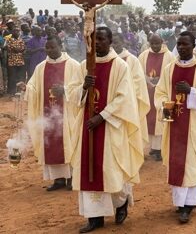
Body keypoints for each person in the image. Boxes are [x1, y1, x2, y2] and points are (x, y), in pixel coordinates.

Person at [66, 27, 143, 233]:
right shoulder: (84, 65)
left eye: (101, 39)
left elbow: (124, 98)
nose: (97, 43)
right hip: (87, 127)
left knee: (111, 169)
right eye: (93, 39)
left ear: (110, 41)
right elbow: (71, 95)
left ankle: (121, 202)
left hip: (110, 126)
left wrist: (102, 116)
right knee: (89, 168)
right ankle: (95, 217)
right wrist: (83, 87)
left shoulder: (120, 66)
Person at [155, 31, 196, 223]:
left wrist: (191, 91)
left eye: (186, 44)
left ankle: (189, 205)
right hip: (175, 124)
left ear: (194, 47)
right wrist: (166, 107)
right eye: (179, 44)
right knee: (177, 163)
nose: (182, 47)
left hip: (194, 127)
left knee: (192, 163)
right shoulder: (169, 68)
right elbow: (159, 93)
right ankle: (180, 203)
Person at [24, 35, 80, 191]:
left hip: (67, 114)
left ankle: (71, 178)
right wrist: (26, 89)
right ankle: (58, 179)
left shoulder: (74, 65)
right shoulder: (41, 67)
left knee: (69, 144)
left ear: (60, 46)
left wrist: (65, 90)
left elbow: (81, 88)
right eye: (47, 48)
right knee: (51, 143)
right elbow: (34, 88)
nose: (49, 50)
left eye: (52, 47)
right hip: (48, 114)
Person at [112, 32, 151, 157]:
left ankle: (131, 156)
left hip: (129, 103)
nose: (113, 45)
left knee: (129, 129)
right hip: (111, 103)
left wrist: (121, 91)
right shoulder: (105, 59)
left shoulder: (132, 60)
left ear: (123, 43)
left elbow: (138, 82)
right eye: (111, 42)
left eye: (116, 42)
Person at [138, 34, 174, 161]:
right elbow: (138, 73)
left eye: (157, 43)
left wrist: (160, 81)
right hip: (147, 91)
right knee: (150, 120)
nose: (155, 46)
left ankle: (163, 149)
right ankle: (154, 148)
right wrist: (147, 80)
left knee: (164, 119)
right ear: (149, 43)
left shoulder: (170, 56)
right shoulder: (143, 56)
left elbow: (173, 73)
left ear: (162, 42)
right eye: (152, 44)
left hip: (164, 93)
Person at [5, 28, 26, 95]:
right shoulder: (9, 40)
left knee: (20, 77)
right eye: (15, 31)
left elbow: (23, 48)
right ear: (12, 32)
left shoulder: (21, 39)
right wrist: (18, 49)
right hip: (12, 61)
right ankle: (12, 92)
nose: (17, 32)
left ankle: (20, 91)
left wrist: (18, 49)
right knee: (12, 77)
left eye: (18, 31)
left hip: (20, 61)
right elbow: (14, 49)